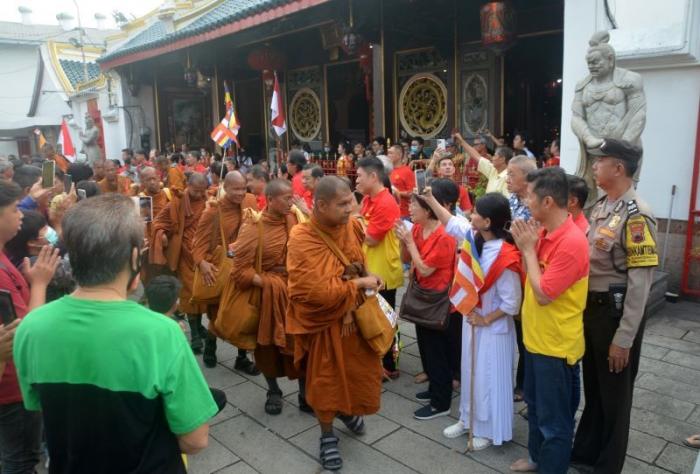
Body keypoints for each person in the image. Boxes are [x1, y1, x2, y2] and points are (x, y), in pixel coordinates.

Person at [14, 194, 218, 473]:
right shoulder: (162, 333)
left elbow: (37, 405)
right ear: (135, 257)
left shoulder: (31, 328)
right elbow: (195, 439)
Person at [572, 139, 658, 473]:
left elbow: (641, 283)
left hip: (614, 313)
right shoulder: (603, 206)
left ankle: (607, 465)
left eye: (599, 160)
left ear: (618, 167)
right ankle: (586, 453)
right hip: (593, 310)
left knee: (614, 396)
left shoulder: (637, 214)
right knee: (593, 388)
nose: (593, 166)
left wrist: (624, 338)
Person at [286, 176, 383, 471]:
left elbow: (356, 263)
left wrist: (367, 281)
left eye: (350, 201)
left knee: (356, 374)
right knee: (324, 381)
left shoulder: (351, 226)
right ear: (321, 205)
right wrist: (359, 283)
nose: (349, 208)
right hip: (325, 324)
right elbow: (313, 291)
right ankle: (327, 435)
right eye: (342, 204)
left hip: (354, 320)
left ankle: (346, 411)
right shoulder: (302, 237)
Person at [509, 167, 589, 473]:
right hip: (535, 338)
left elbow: (544, 294)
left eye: (530, 196)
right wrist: (528, 248)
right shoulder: (542, 231)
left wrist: (527, 250)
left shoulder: (571, 242)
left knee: (555, 422)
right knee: (537, 409)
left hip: (555, 346)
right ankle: (536, 458)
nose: (525, 201)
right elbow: (532, 276)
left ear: (548, 203)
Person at [442, 193, 522, 450]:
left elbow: (512, 303)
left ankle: (488, 430)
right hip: (472, 321)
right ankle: (468, 419)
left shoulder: (506, 255)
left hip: (493, 326)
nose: (470, 215)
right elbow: (453, 223)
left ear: (487, 221)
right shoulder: (475, 243)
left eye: (475, 212)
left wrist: (486, 318)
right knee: (469, 371)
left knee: (488, 377)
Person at [231, 179, 309, 415]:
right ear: (271, 200)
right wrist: (267, 283)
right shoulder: (254, 227)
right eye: (286, 198)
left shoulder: (294, 219)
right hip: (269, 295)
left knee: (303, 344)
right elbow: (239, 270)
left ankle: (305, 395)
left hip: (295, 290)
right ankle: (273, 390)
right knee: (267, 348)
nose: (290, 201)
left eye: (292, 197)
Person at [0, 180, 59, 473]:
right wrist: (39, 283)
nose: (21, 215)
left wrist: (30, 199)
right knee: (21, 458)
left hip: (14, 379)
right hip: (12, 387)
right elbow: (26, 332)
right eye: (15, 210)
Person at [394, 190, 456, 420]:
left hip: (437, 299)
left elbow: (426, 268)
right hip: (422, 295)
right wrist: (404, 242)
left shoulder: (444, 236)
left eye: (414, 205)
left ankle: (441, 403)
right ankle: (434, 390)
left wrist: (409, 241)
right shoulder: (419, 229)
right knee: (427, 348)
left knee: (437, 351)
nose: (409, 209)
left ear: (429, 209)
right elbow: (407, 261)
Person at [192, 171, 258, 370]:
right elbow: (197, 244)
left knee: (242, 314)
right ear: (225, 188)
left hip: (243, 267)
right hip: (221, 268)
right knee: (220, 314)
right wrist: (201, 263)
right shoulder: (213, 211)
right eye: (235, 189)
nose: (240, 193)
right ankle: (211, 345)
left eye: (243, 188)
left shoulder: (250, 203)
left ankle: (241, 357)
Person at [356, 157, 404, 379]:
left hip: (383, 270)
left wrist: (357, 225)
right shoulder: (368, 199)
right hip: (371, 267)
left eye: (359, 176)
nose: (356, 179)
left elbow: (372, 238)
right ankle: (378, 360)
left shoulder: (385, 202)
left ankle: (390, 364)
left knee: (387, 319)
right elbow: (358, 223)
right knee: (373, 317)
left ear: (373, 176)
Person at [150, 173, 209, 354]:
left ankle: (199, 326)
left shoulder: (209, 203)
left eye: (201, 191)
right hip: (184, 254)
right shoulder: (177, 203)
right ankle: (196, 336)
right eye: (195, 191)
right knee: (188, 294)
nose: (198, 195)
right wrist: (163, 235)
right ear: (187, 186)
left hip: (204, 255)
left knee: (201, 293)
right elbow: (158, 222)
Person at [505, 154, 537, 402]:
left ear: (527, 177)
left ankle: (525, 384)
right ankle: (521, 380)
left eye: (512, 174)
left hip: (531, 272)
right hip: (512, 269)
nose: (507, 178)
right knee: (517, 329)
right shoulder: (512, 199)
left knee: (528, 333)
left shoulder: (536, 205)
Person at [454, 132, 512, 197]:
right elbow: (477, 156)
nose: (492, 158)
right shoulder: (493, 170)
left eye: (495, 156)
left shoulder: (509, 178)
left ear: (502, 159)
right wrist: (461, 142)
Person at [388, 144, 416, 219]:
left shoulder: (407, 171)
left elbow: (412, 193)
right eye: (388, 153)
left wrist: (396, 192)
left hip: (403, 214)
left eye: (391, 153)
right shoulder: (388, 171)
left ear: (399, 155)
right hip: (389, 212)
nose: (388, 155)